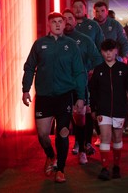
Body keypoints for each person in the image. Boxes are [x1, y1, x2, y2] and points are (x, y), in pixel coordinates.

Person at [22, 12, 87, 183]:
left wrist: (81, 96)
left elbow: (79, 72)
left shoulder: (72, 45)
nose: (58, 24)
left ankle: (61, 170)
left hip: (65, 95)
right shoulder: (40, 44)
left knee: (63, 133)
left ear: (64, 23)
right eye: (54, 22)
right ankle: (51, 156)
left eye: (60, 21)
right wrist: (25, 89)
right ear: (49, 24)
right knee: (43, 134)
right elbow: (29, 67)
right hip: (44, 96)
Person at [62, 9, 103, 164]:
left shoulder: (84, 39)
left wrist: (91, 70)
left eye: (70, 18)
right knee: (71, 116)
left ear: (75, 21)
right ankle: (77, 144)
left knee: (84, 114)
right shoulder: (56, 40)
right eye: (63, 19)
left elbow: (97, 58)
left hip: (83, 84)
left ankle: (85, 145)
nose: (67, 21)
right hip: (63, 86)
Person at [89, 39, 128, 181]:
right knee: (105, 137)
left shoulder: (124, 69)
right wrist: (93, 108)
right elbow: (93, 91)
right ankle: (105, 168)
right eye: (105, 51)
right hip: (103, 109)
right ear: (101, 52)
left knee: (117, 137)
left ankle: (116, 166)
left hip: (119, 109)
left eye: (111, 50)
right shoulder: (98, 70)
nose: (108, 54)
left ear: (116, 51)